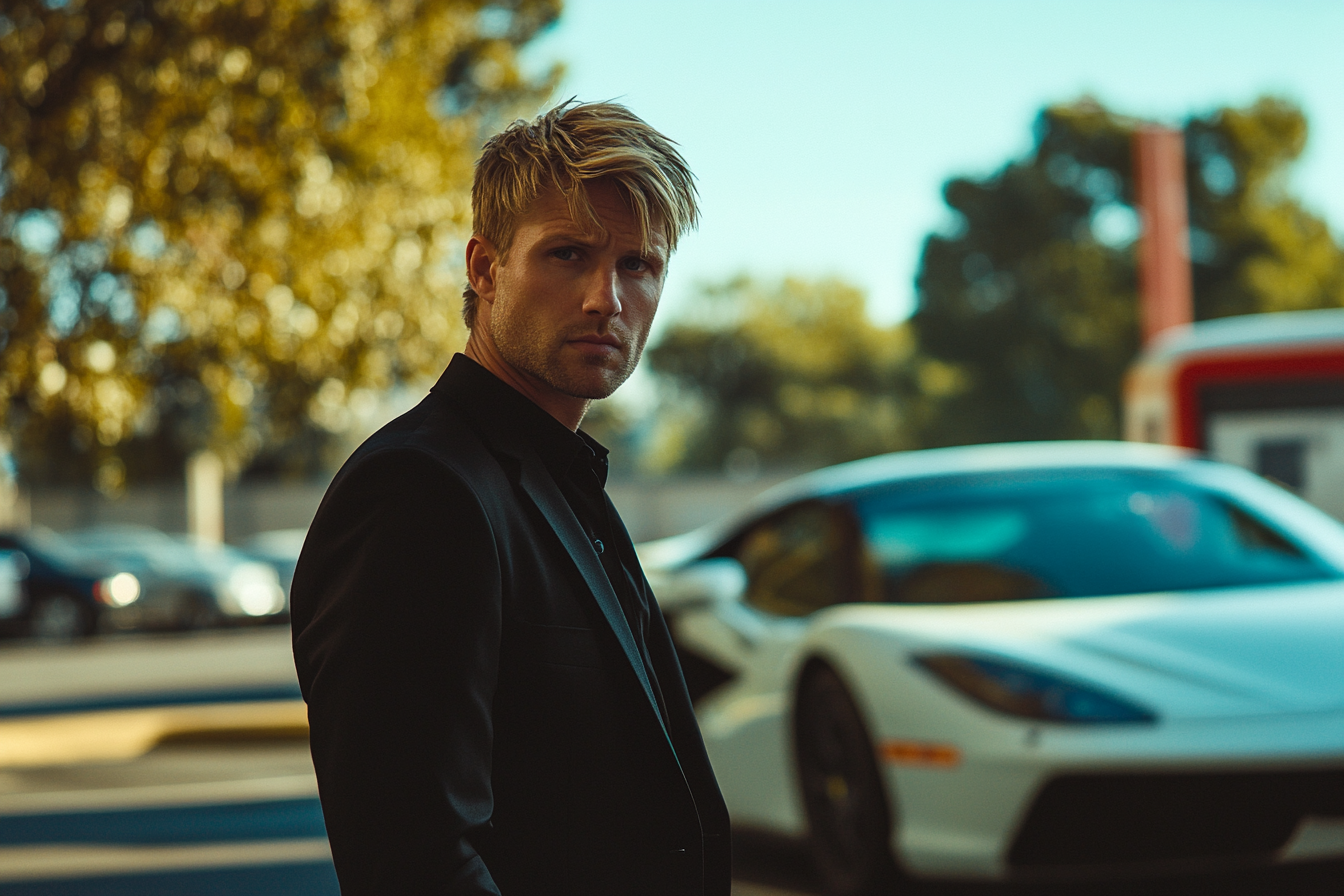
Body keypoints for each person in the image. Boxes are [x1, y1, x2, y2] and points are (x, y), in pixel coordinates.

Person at [290, 101, 730, 896]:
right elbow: (414, 860)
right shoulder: (420, 492)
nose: (608, 298)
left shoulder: (552, 478)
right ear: (484, 269)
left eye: (640, 265)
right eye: (568, 254)